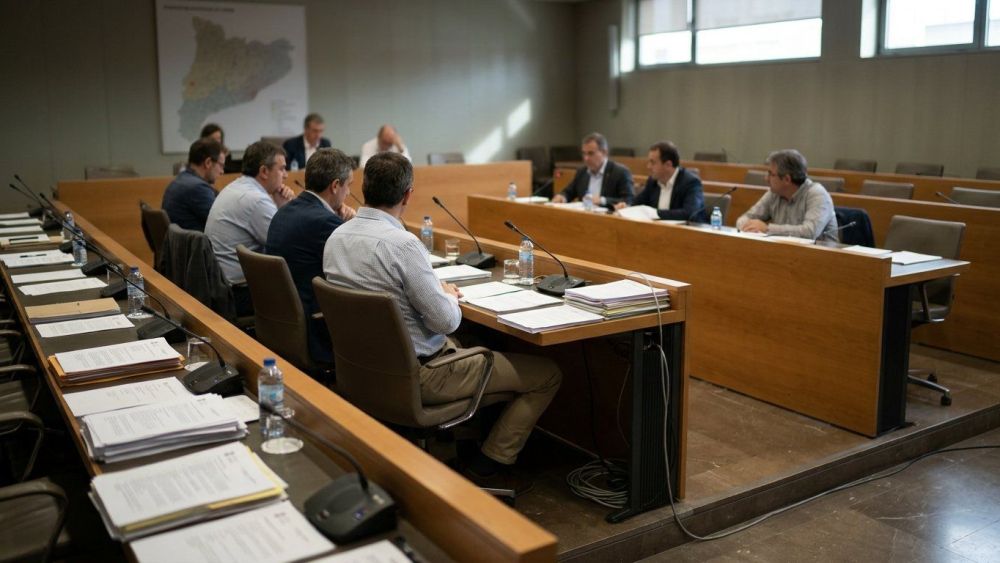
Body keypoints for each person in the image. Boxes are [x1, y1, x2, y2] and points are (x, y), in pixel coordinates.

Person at [323, 152, 562, 490]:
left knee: (476, 344)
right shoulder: (403, 245)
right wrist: (447, 294)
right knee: (547, 374)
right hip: (422, 377)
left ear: (364, 188)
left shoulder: (336, 238)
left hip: (365, 372)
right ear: (408, 195)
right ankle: (489, 464)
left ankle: (463, 443)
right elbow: (446, 322)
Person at [266, 148, 357, 365]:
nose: (348, 193)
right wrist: (350, 224)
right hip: (316, 330)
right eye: (348, 185)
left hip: (282, 324)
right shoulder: (325, 223)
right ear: (335, 185)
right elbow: (357, 270)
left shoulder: (284, 212)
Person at [205, 141, 295, 315]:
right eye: (282, 169)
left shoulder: (236, 186)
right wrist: (284, 207)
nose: (285, 175)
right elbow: (287, 246)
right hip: (237, 293)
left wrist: (278, 206)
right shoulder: (257, 200)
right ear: (264, 171)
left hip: (220, 286)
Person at [736, 149, 838, 241]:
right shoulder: (774, 193)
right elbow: (746, 217)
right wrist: (747, 226)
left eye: (771, 174)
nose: (766, 179)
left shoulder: (817, 194)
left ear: (787, 179)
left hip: (821, 253)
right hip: (785, 250)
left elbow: (810, 232)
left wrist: (767, 229)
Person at [617, 141, 705, 221]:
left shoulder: (691, 182)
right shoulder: (653, 181)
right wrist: (627, 206)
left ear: (668, 165)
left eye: (653, 162)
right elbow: (638, 202)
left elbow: (690, 213)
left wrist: (655, 213)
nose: (648, 167)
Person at [551, 132, 634, 209]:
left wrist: (602, 200)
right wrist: (562, 197)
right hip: (584, 216)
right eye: (584, 153)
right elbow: (568, 192)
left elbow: (629, 200)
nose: (586, 158)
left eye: (591, 153)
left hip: (607, 217)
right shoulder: (582, 172)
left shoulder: (620, 172)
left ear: (604, 152)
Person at [161, 138, 228, 231]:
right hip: (196, 240)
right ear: (208, 162)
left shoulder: (181, 180)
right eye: (221, 165)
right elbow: (224, 224)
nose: (222, 171)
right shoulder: (198, 188)